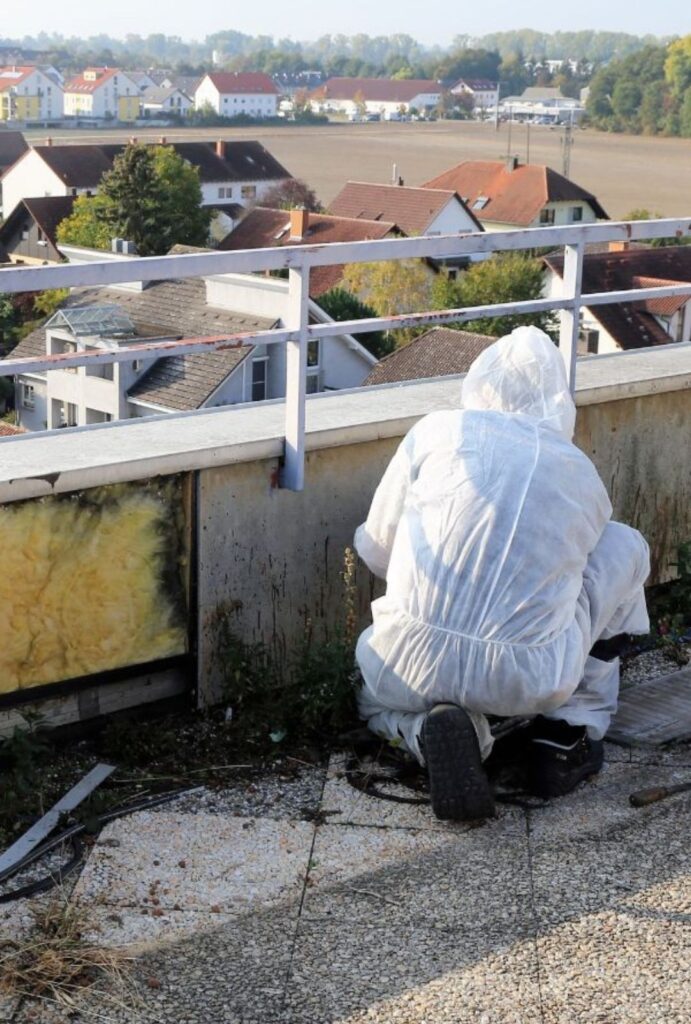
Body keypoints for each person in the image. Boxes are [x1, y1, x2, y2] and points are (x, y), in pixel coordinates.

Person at [354, 326, 650, 820]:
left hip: (405, 663)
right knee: (625, 544)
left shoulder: (435, 432)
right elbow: (576, 573)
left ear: (478, 384)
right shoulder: (580, 473)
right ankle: (568, 733)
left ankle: (428, 735)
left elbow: (377, 551)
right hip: (530, 679)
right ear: (558, 400)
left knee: (371, 699)